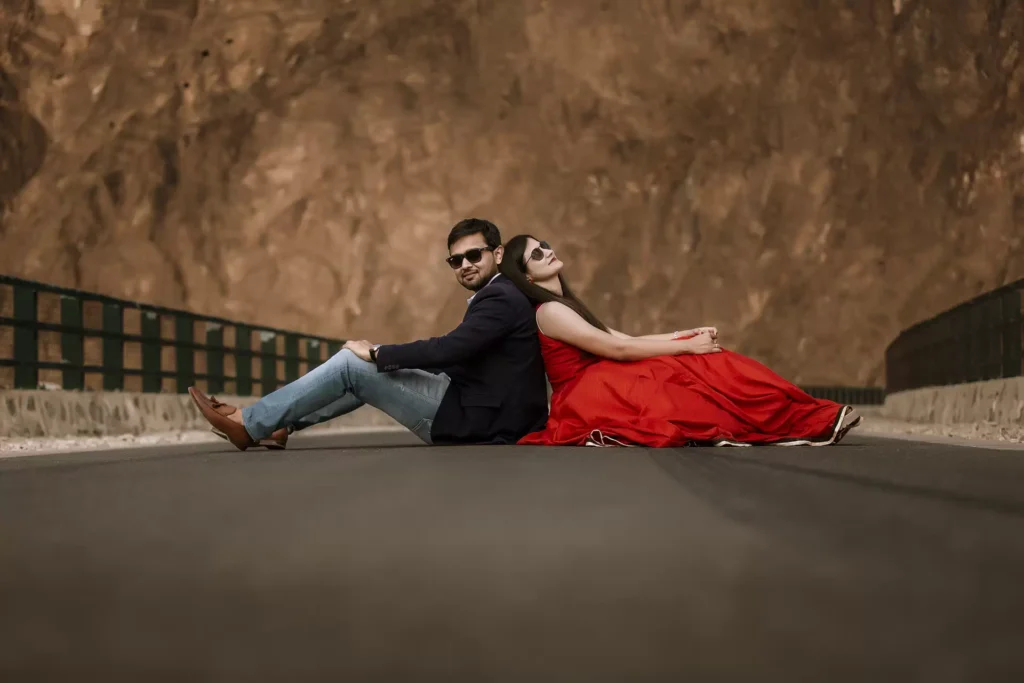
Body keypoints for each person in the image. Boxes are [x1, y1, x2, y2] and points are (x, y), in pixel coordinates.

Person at [189, 219, 549, 450]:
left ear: (498, 253)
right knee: (364, 373)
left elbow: (452, 348)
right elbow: (468, 356)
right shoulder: (498, 295)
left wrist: (379, 353)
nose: (465, 265)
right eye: (456, 260)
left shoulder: (500, 297)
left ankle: (248, 424)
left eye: (474, 255)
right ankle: (279, 425)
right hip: (481, 409)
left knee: (352, 364)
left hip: (479, 422)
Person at [497, 234, 862, 447]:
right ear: (527, 275)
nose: (548, 251)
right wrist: (686, 346)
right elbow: (616, 349)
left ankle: (803, 414)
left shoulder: (564, 305)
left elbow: (622, 338)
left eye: (544, 244)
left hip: (605, 379)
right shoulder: (549, 313)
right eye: (537, 254)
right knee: (684, 387)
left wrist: (685, 334)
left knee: (702, 364)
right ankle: (798, 422)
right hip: (587, 393)